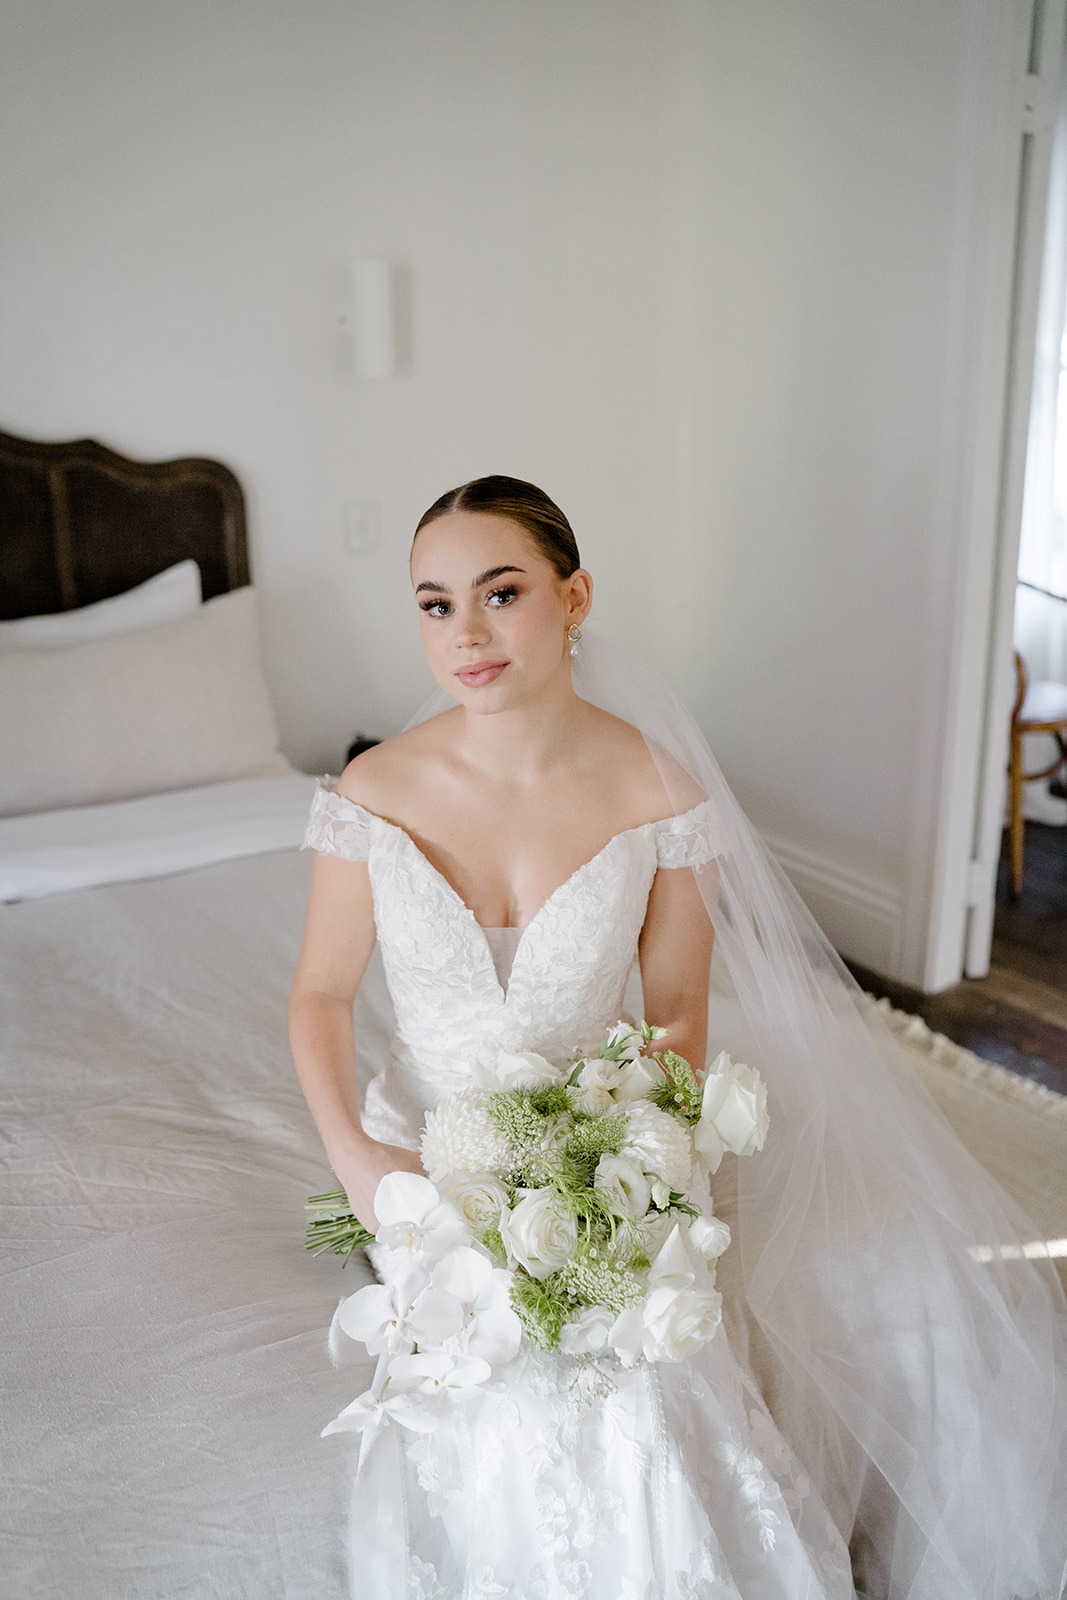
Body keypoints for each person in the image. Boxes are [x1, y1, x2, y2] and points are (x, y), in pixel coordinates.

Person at [290, 476, 1067, 1600]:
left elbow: (679, 1009)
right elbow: (320, 993)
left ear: (573, 597)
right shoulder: (375, 790)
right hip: (424, 1149)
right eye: (434, 604)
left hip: (607, 1132)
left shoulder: (655, 787)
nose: (464, 634)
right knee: (497, 1365)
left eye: (500, 593)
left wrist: (619, 1163)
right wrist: (359, 1162)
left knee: (638, 1364)